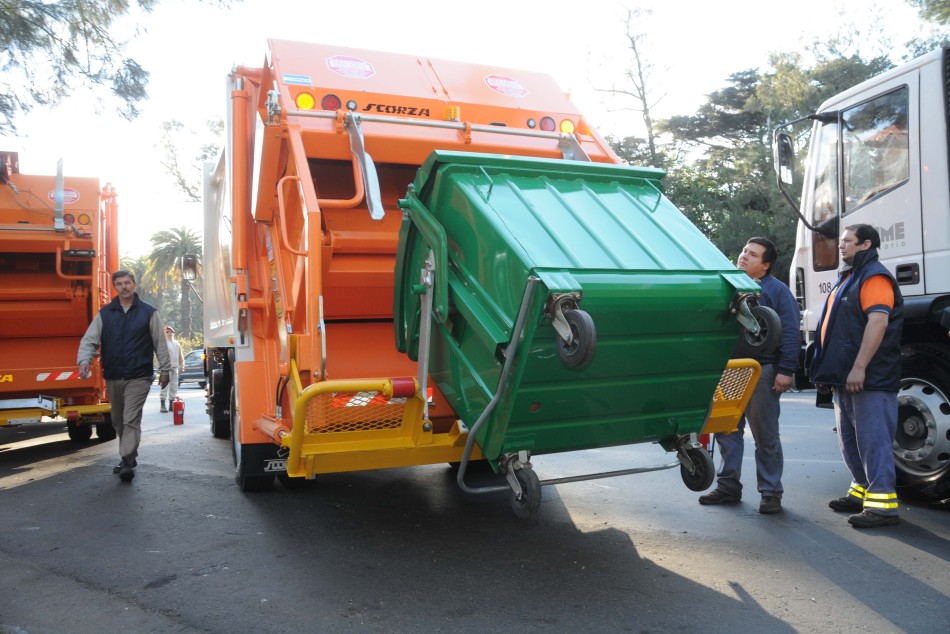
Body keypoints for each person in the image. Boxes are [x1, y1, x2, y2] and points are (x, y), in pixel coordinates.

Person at [809, 224, 903, 528]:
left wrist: (860, 367)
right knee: (851, 441)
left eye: (848, 241)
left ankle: (883, 506)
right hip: (845, 377)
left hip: (870, 378)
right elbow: (836, 331)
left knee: (873, 440)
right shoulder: (849, 277)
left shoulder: (874, 276)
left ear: (866, 244)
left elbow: (877, 324)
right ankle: (862, 491)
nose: (841, 245)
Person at [699, 237, 801, 514]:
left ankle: (770, 493)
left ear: (765, 266)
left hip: (763, 372)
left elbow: (791, 331)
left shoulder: (778, 292)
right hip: (730, 370)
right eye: (744, 251)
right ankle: (728, 486)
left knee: (765, 435)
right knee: (726, 431)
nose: (744, 256)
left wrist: (786, 370)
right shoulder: (730, 286)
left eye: (753, 255)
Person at [77, 270, 170, 482]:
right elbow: (90, 340)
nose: (124, 287)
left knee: (130, 419)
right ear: (114, 287)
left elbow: (159, 343)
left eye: (127, 283)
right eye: (119, 284)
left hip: (139, 375)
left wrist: (165, 369)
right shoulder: (105, 314)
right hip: (113, 375)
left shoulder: (149, 313)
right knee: (118, 421)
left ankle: (127, 461)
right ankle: (129, 455)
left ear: (134, 284)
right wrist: (84, 361)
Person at [160, 325, 185, 413]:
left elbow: (180, 356)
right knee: (164, 387)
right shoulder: (163, 343)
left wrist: (182, 366)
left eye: (171, 332)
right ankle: (162, 405)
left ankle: (171, 404)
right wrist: (165, 366)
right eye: (167, 332)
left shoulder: (176, 343)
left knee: (174, 387)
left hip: (175, 368)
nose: (169, 333)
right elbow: (161, 356)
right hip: (166, 369)